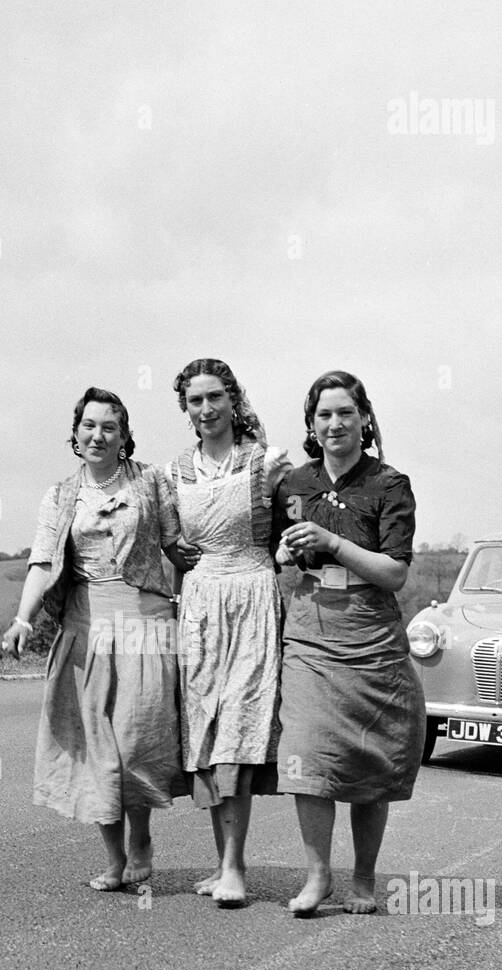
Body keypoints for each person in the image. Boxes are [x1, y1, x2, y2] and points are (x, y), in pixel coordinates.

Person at [3, 387, 191, 891]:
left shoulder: (151, 482)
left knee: (134, 742)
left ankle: (142, 839)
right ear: (76, 433)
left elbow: (178, 548)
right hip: (85, 632)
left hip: (144, 627)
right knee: (96, 750)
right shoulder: (62, 495)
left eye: (109, 426)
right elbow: (42, 563)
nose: (98, 435)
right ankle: (114, 860)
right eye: (89, 425)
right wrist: (24, 619)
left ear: (125, 436)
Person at [274, 370, 425, 915]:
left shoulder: (388, 485)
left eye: (344, 413)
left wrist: (333, 542)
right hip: (311, 629)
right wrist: (287, 555)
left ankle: (363, 877)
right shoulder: (294, 485)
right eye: (323, 415)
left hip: (370, 630)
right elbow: (278, 552)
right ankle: (317, 878)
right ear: (311, 425)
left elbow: (394, 573)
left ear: (364, 419)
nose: (334, 424)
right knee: (306, 754)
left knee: (369, 760)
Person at [167, 359, 292, 908]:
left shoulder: (266, 462)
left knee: (241, 723)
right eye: (195, 401)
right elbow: (168, 538)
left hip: (252, 596)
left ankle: (236, 868)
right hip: (199, 603)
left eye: (215, 397)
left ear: (232, 399)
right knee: (208, 728)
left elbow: (290, 527)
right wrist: (176, 554)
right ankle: (223, 864)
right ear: (186, 409)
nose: (206, 409)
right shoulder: (175, 472)